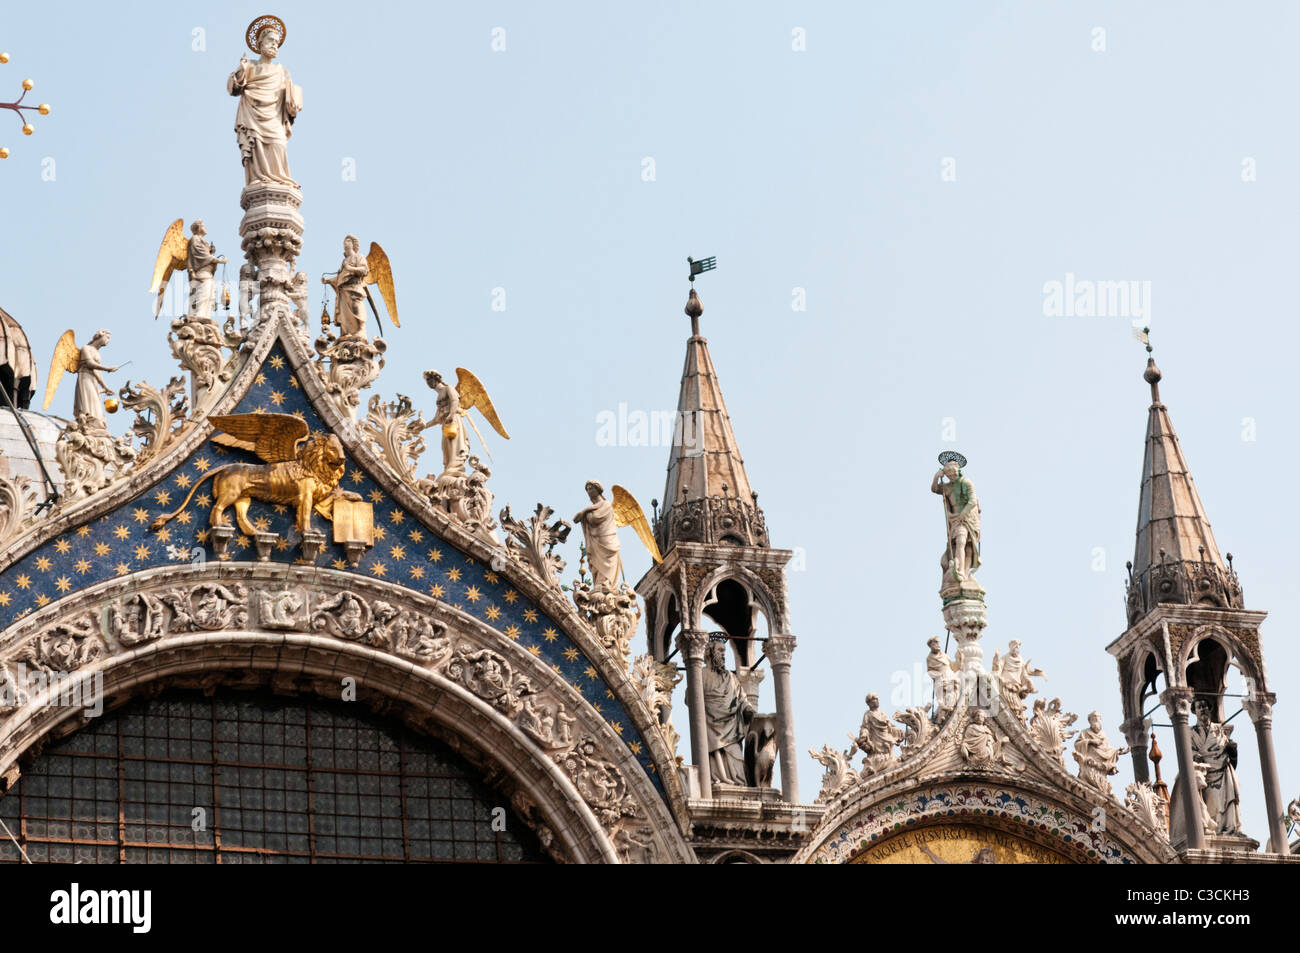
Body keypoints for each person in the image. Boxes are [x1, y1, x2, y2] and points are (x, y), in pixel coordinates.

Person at [228, 18, 301, 187]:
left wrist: (293, 104)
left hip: (275, 117)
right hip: (253, 116)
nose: (274, 45)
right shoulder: (250, 66)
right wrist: (240, 70)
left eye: (277, 42)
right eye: (271, 41)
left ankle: (280, 179)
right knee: (256, 148)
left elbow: (290, 100)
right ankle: (258, 180)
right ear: (260, 43)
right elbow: (233, 89)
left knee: (279, 145)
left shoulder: (282, 71)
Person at [702, 640, 754, 785]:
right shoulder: (701, 674)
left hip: (731, 726)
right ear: (710, 653)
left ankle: (738, 781)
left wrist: (748, 709)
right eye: (720, 651)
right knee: (715, 756)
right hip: (710, 724)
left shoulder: (731, 677)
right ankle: (717, 778)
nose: (723, 655)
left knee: (736, 757)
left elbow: (741, 697)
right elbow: (690, 699)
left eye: (724, 651)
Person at [1190, 699, 1243, 834]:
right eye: (1199, 707)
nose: (1203, 709)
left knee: (1226, 802)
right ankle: (1216, 829)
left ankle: (1229, 829)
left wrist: (1231, 748)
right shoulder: (1191, 733)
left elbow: (1225, 745)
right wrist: (1196, 756)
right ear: (1194, 711)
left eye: (1205, 706)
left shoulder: (1219, 729)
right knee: (1211, 805)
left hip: (1223, 771)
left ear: (1210, 709)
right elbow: (1189, 751)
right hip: (1206, 774)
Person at [931, 455, 980, 584]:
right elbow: (935, 489)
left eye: (952, 474)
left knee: (969, 547)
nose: (950, 477)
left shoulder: (966, 482)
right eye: (948, 475)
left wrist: (962, 514)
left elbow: (973, 500)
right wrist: (937, 476)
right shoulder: (947, 487)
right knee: (960, 542)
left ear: (957, 471)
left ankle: (963, 571)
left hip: (968, 518)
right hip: (955, 520)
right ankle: (959, 570)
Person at [573, 480, 622, 589]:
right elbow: (575, 519)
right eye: (588, 489)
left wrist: (586, 510)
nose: (589, 491)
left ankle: (607, 584)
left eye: (591, 488)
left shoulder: (606, 505)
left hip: (607, 539)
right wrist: (586, 511)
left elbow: (595, 518)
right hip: (596, 541)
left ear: (598, 490)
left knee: (607, 563)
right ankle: (600, 583)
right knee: (597, 565)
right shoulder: (593, 508)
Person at [322, 236, 369, 338]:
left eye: (348, 241)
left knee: (356, 307)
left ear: (354, 244)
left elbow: (365, 271)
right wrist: (328, 281)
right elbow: (341, 277)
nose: (345, 243)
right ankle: (347, 333)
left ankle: (360, 330)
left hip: (354, 288)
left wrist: (351, 268)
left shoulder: (359, 257)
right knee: (344, 315)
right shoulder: (344, 261)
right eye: (344, 241)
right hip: (343, 291)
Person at [74, 330, 117, 426]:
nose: (108, 341)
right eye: (107, 337)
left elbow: (97, 372)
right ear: (100, 336)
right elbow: (90, 364)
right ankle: (88, 420)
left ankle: (95, 422)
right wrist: (107, 368)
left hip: (93, 379)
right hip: (85, 377)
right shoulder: (86, 348)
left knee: (96, 403)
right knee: (89, 402)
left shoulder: (97, 353)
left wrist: (105, 387)